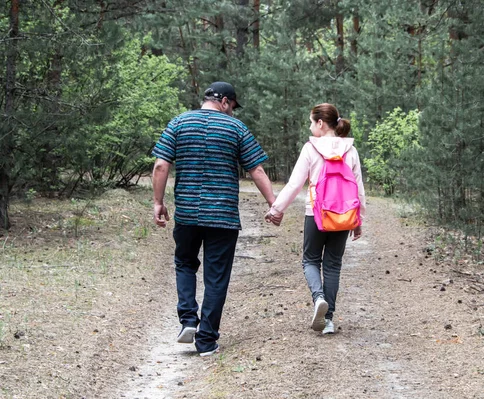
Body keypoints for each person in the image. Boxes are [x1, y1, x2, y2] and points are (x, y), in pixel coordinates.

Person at [151, 81, 281, 356]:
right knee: (216, 277)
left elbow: (161, 164)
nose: (232, 111)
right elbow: (256, 169)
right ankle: (206, 340)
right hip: (222, 216)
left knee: (185, 264)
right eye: (232, 106)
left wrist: (158, 202)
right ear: (223, 101)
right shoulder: (236, 129)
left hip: (187, 213)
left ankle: (188, 320)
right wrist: (274, 204)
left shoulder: (178, 123)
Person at [265, 103, 365, 335]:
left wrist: (276, 209)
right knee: (333, 265)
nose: (310, 127)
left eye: (311, 122)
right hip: (343, 216)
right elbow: (358, 188)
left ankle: (318, 297)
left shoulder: (311, 149)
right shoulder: (350, 149)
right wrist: (358, 219)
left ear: (320, 123)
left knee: (310, 260)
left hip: (317, 214)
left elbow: (294, 184)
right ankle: (328, 320)